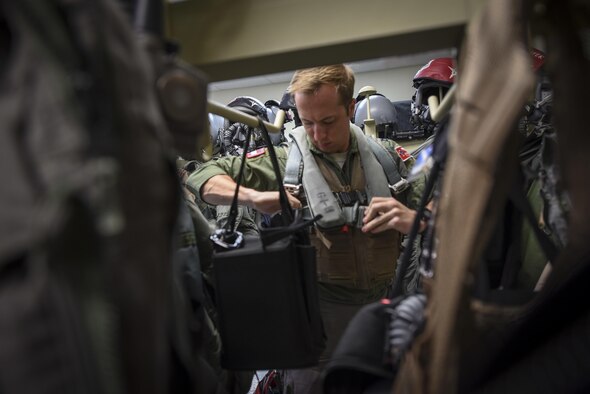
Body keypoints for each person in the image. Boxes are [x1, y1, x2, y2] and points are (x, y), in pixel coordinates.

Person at [186, 64, 422, 393]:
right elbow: (203, 176)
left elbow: (443, 207)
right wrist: (254, 197)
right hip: (316, 325)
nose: (317, 135)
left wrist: (414, 220)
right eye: (307, 122)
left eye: (328, 122)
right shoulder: (286, 161)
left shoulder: (387, 158)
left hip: (383, 310)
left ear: (350, 108)